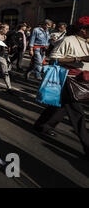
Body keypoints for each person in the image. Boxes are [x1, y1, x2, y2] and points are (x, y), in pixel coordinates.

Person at [33, 17, 89, 159]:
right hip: (69, 81)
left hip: (83, 81)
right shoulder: (68, 40)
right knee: (77, 113)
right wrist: (79, 59)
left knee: (60, 107)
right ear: (83, 30)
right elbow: (54, 58)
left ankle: (42, 126)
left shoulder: (86, 42)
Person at [0, 23, 14, 94]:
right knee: (5, 72)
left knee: (7, 70)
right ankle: (9, 88)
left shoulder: (5, 37)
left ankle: (9, 87)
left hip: (5, 55)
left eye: (8, 29)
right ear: (1, 29)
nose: (7, 30)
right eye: (6, 29)